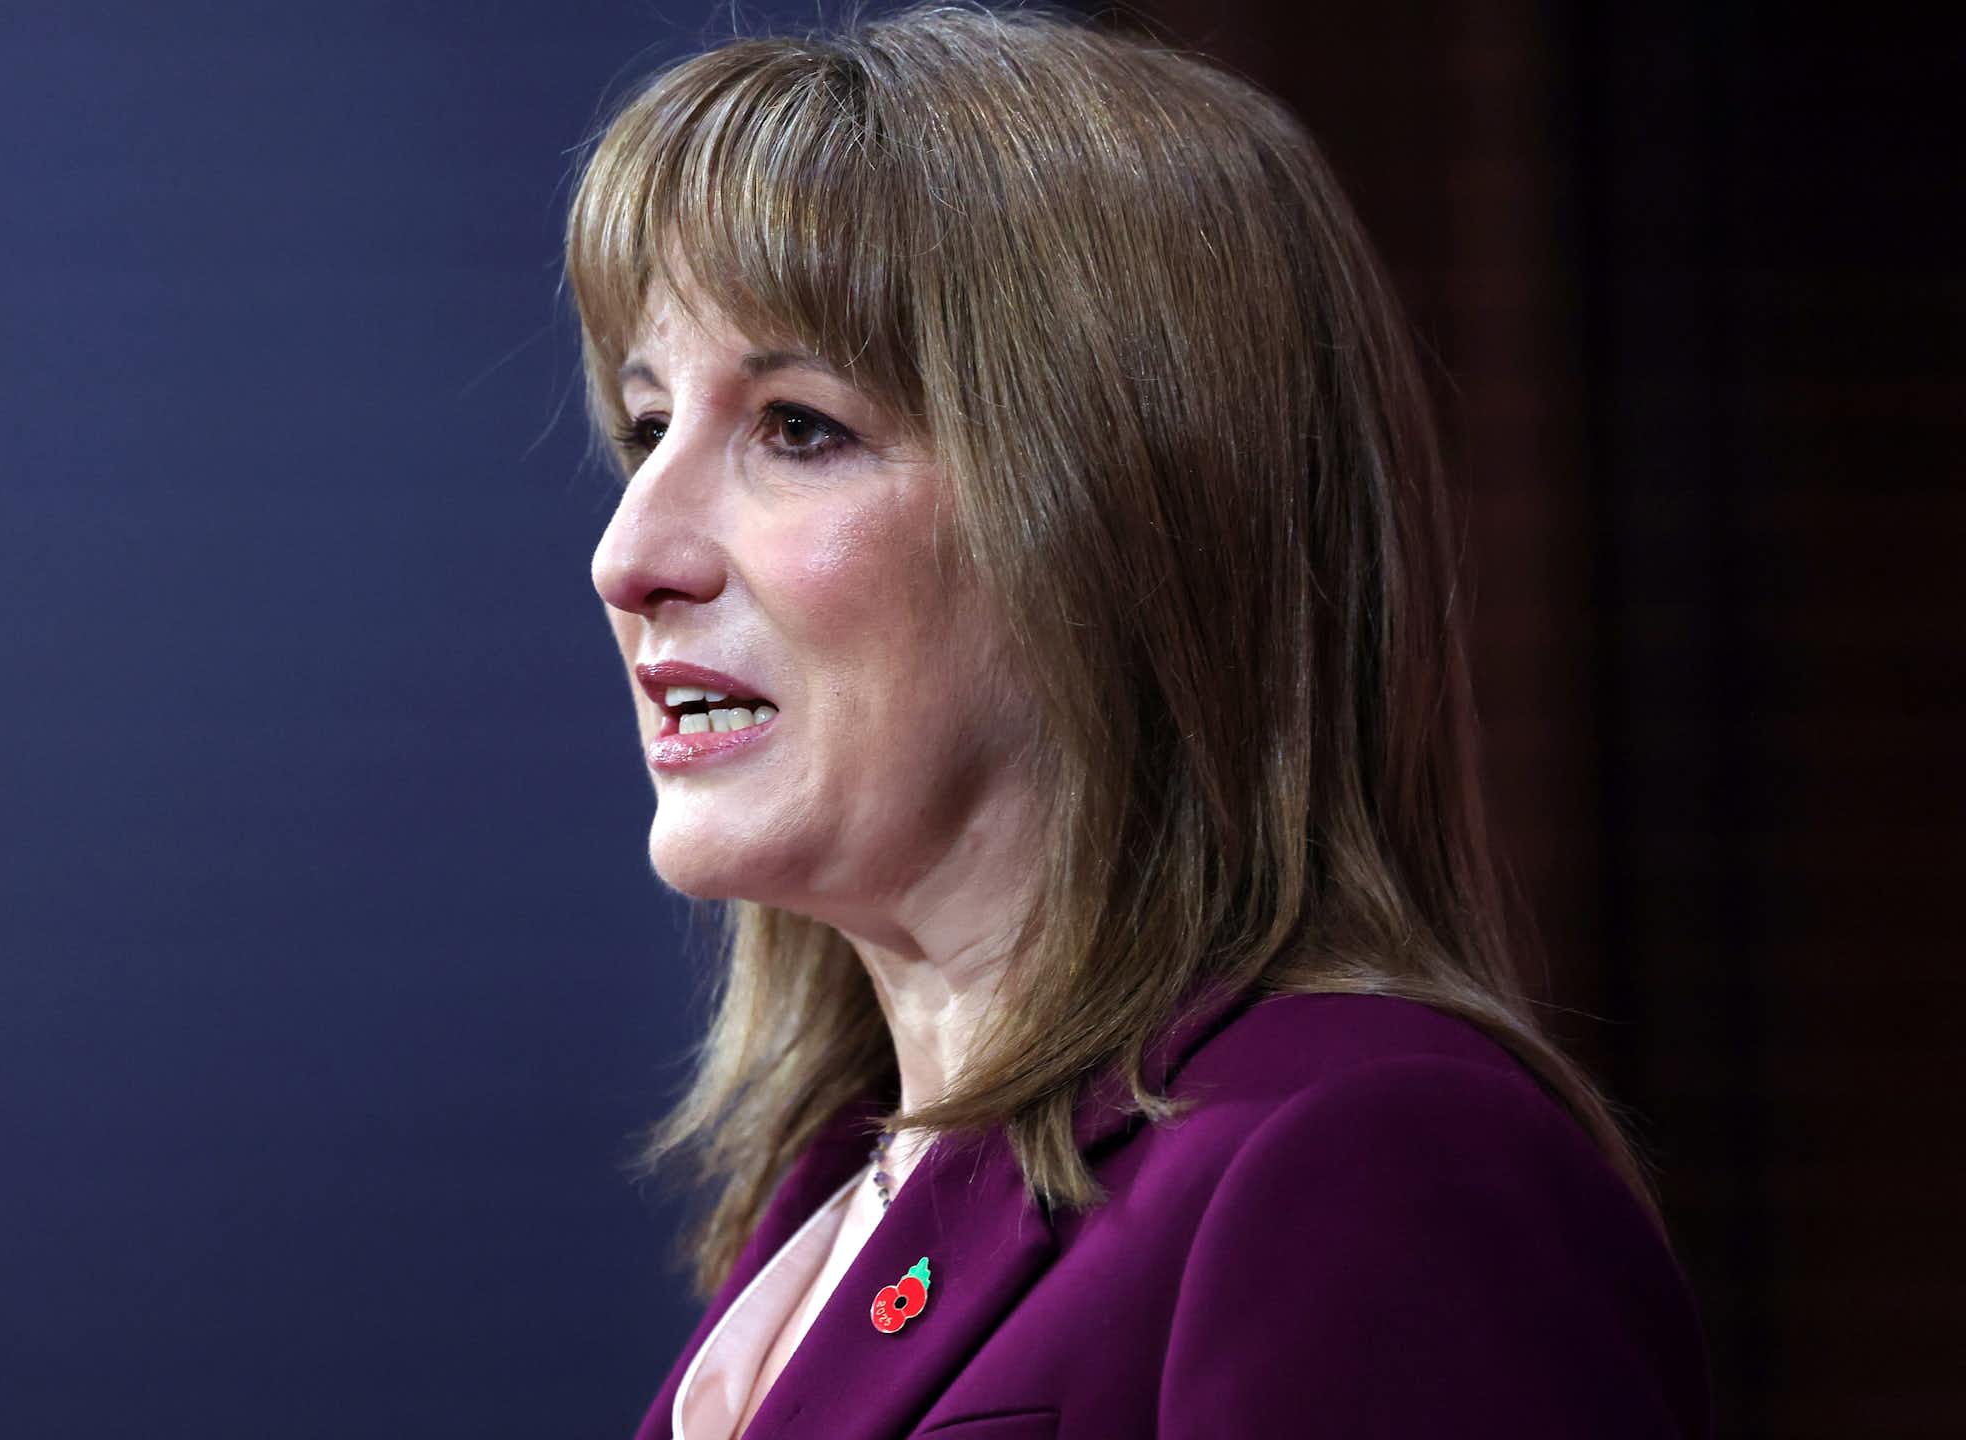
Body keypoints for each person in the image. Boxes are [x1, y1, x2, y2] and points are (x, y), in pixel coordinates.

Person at [566, 5, 1711, 1437]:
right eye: (645, 427)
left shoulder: (1371, 1170)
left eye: (800, 427)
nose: (630, 552)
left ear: (1124, 518)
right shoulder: (824, 1206)